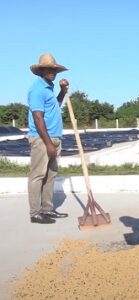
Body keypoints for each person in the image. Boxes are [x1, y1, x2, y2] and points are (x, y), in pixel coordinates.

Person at [28, 53, 70, 224]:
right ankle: (35, 213)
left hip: (54, 137)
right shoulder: (37, 89)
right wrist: (48, 143)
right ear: (40, 71)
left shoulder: (49, 88)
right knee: (38, 175)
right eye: (49, 69)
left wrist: (63, 91)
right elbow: (38, 118)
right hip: (41, 139)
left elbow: (55, 106)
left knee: (51, 174)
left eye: (54, 69)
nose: (53, 72)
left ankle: (47, 209)